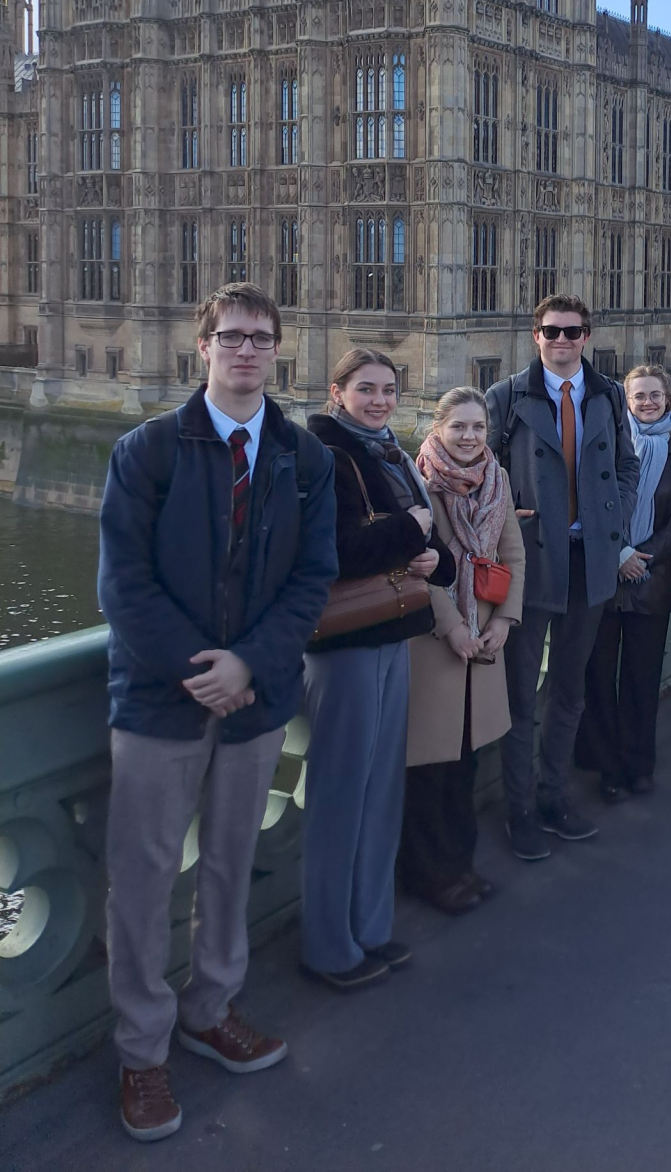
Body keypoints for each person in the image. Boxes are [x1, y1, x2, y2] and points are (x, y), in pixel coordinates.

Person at [98, 284, 337, 1142]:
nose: (245, 351)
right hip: (159, 699)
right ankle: (142, 1049)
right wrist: (202, 669)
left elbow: (314, 577)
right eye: (230, 337)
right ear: (201, 346)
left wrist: (250, 664)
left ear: (278, 350)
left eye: (260, 338)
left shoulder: (303, 457)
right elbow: (122, 584)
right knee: (143, 879)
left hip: (257, 696)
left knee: (231, 863)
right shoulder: (149, 449)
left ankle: (210, 1009)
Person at [303, 353, 455, 984]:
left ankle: (370, 928)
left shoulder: (392, 452)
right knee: (341, 796)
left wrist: (433, 558)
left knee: (382, 791)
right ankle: (327, 947)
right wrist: (411, 533)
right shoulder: (323, 455)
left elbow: (429, 546)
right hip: (345, 642)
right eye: (365, 389)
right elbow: (331, 553)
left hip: (395, 630)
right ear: (336, 392)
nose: (379, 400)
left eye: (388, 389)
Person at [487, 295, 639, 861]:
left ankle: (553, 797)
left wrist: (615, 513)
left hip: (589, 558)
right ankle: (519, 810)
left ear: (586, 337)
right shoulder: (506, 396)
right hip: (530, 561)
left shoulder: (608, 394)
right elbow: (483, 471)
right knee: (521, 696)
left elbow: (627, 465)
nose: (561, 340)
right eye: (551, 331)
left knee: (570, 692)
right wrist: (506, 516)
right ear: (536, 336)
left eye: (572, 332)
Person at [407, 388, 525, 912]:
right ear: (437, 428)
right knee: (430, 769)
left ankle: (461, 865)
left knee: (465, 765)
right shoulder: (418, 481)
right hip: (437, 642)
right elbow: (418, 566)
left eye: (478, 427)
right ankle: (431, 877)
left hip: (483, 635)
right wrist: (452, 625)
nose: (470, 436)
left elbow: (512, 554)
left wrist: (506, 618)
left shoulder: (496, 479)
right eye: (458, 426)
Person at [576, 365, 671, 800]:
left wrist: (642, 554)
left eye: (655, 395)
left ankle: (638, 764)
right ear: (625, 403)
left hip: (652, 580)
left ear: (668, 399)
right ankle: (607, 767)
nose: (647, 403)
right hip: (604, 579)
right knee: (598, 678)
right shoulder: (606, 450)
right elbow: (592, 504)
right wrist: (619, 553)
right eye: (638, 396)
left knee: (641, 681)